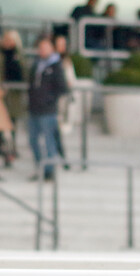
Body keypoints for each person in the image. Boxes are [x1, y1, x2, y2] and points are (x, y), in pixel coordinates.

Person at [27, 35, 68, 181]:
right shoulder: (36, 65)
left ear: (51, 48)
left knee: (49, 141)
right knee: (33, 140)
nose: (42, 50)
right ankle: (40, 168)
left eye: (45, 47)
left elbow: (62, 88)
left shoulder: (56, 66)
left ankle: (49, 171)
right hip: (34, 110)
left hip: (48, 111)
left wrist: (49, 100)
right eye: (40, 47)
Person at [0, 30, 25, 167]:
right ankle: (6, 153)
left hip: (14, 97)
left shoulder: (18, 56)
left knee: (12, 125)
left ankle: (10, 152)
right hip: (1, 98)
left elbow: (23, 74)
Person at [53, 35, 77, 169]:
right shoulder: (49, 60)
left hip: (62, 101)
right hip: (50, 102)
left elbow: (71, 80)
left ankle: (62, 158)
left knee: (58, 131)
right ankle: (62, 159)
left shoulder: (66, 62)